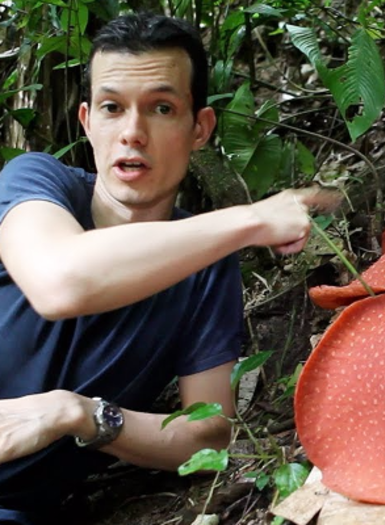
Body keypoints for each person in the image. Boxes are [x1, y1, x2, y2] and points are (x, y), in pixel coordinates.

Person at [0, 12, 336, 525]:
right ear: (88, 122)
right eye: (113, 108)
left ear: (198, 128)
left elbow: (208, 436)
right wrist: (250, 219)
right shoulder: (36, 183)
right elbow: (59, 281)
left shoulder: (205, 269)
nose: (132, 133)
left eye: (161, 108)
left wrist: (82, 415)